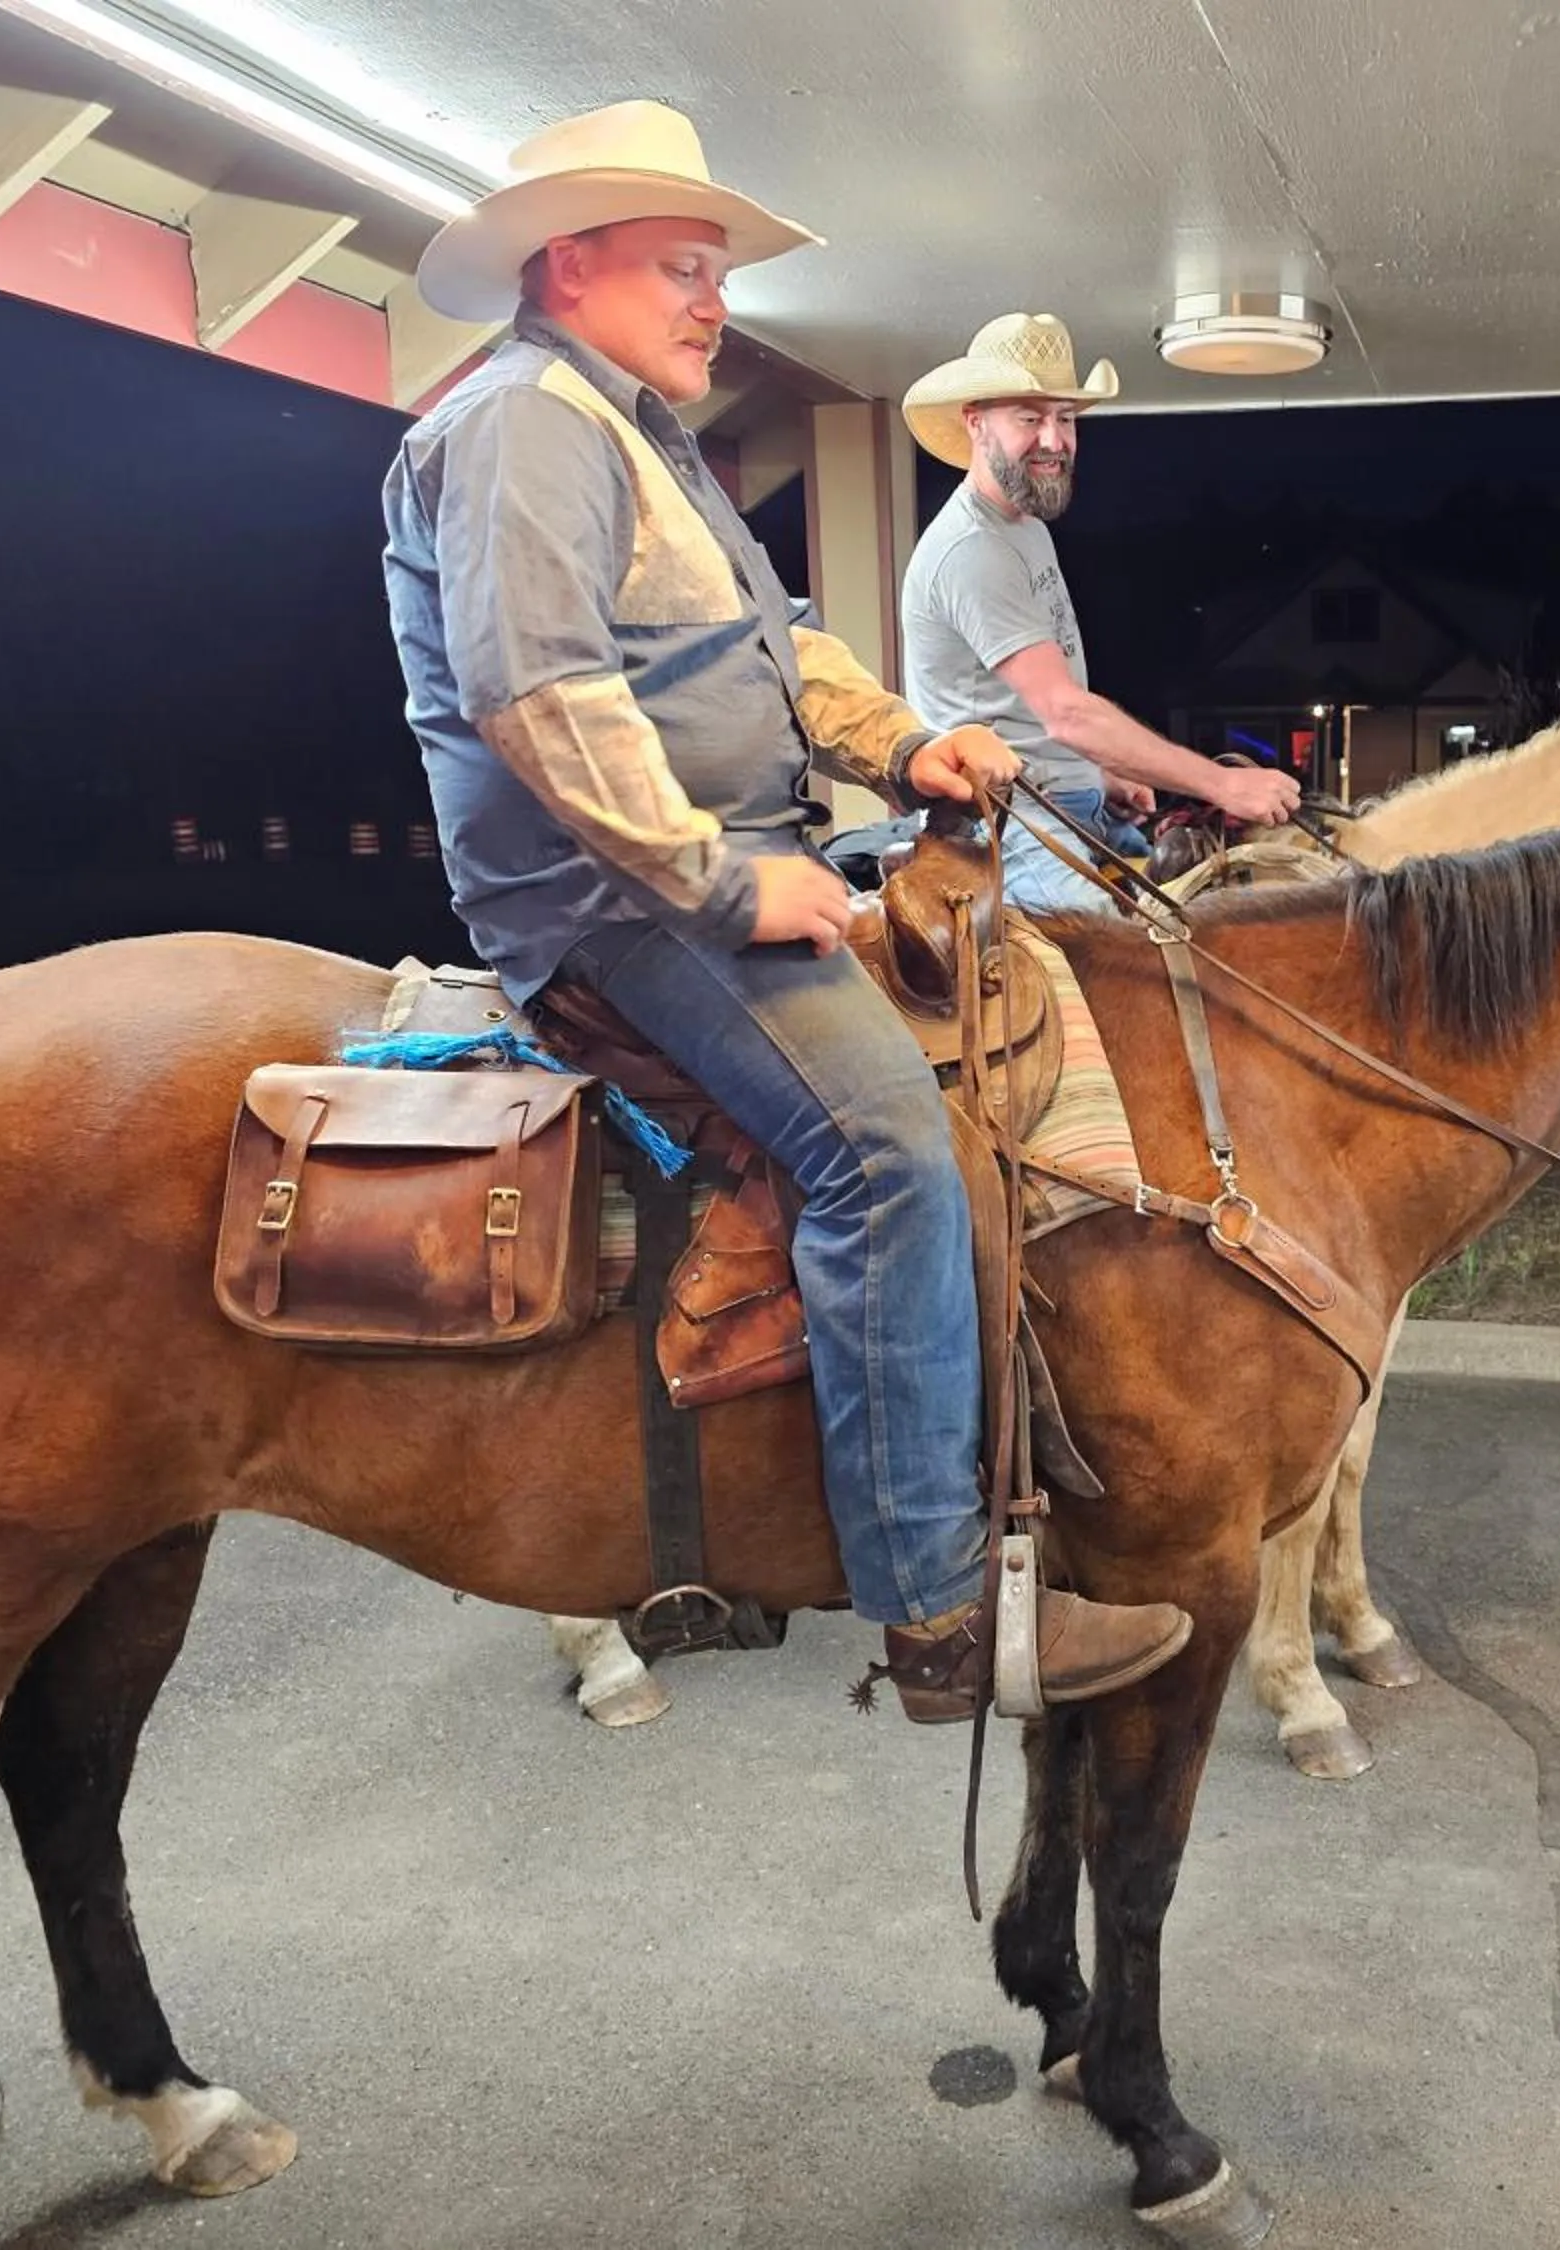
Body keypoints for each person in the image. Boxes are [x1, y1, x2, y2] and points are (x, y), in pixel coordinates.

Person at [382, 100, 1190, 1721]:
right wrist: (732, 878)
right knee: (884, 1145)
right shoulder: (522, 424)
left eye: (718, 270)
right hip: (607, 903)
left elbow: (784, 647)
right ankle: (942, 1613)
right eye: (684, 266)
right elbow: (539, 700)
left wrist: (911, 741)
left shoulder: (641, 433)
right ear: (572, 264)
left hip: (693, 862)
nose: (714, 300)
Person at [898, 314, 1301, 913]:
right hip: (1008, 826)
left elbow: (1030, 715)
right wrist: (1225, 784)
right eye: (1029, 418)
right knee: (1130, 985)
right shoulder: (973, 550)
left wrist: (1098, 775)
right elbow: (1066, 714)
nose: (1054, 440)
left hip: (1061, 801)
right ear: (976, 423)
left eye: (1064, 418)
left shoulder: (1023, 525)